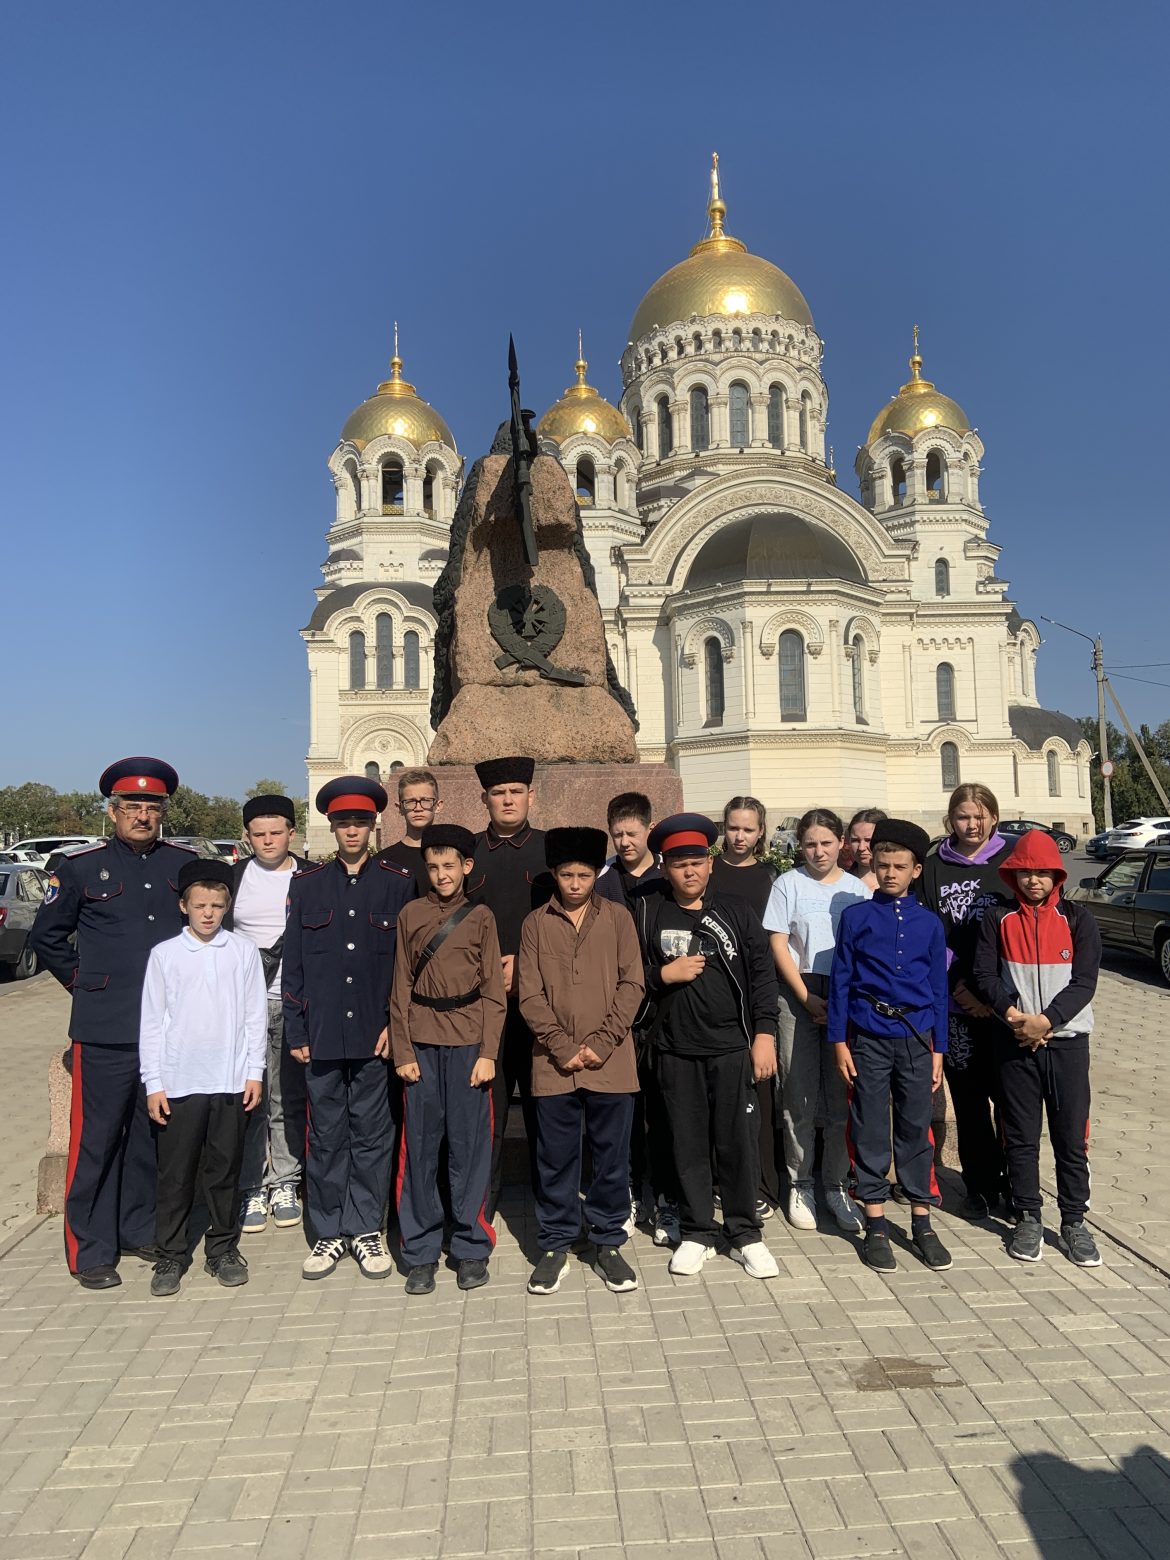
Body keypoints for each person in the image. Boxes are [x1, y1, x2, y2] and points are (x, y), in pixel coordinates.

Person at [29, 757, 194, 1290]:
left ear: (163, 811)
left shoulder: (182, 865)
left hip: (167, 1031)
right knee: (95, 1140)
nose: (143, 815)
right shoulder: (79, 866)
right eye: (132, 807)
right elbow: (47, 937)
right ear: (112, 810)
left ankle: (138, 1229)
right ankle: (91, 1250)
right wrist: (87, 983)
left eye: (152, 807)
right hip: (105, 1029)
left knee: (152, 1135)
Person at [632, 813, 781, 1280]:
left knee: (736, 1142)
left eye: (696, 861)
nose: (689, 871)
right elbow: (628, 974)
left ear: (710, 863)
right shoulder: (648, 910)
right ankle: (698, 1230)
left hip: (732, 1045)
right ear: (664, 868)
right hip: (675, 1048)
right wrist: (662, 976)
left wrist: (764, 1034)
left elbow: (761, 974)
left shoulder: (735, 910)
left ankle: (744, 1232)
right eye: (679, 864)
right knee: (686, 1142)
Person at [282, 775, 416, 1281]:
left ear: (374, 824)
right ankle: (328, 1231)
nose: (352, 831)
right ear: (331, 827)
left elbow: (405, 967)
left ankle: (365, 1228)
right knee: (327, 1135)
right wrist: (296, 1030)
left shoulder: (398, 883)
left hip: (375, 1038)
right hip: (321, 1035)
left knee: (372, 1135)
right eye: (343, 823)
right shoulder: (307, 886)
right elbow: (293, 965)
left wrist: (393, 1026)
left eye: (360, 822)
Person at [519, 828, 646, 1296]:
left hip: (610, 1061)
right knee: (556, 1158)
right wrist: (562, 1045)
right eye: (567, 875)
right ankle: (554, 1243)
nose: (575, 883)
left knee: (611, 1158)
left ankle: (608, 1241)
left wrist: (603, 1040)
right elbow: (529, 994)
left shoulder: (617, 919)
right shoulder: (536, 924)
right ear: (554, 874)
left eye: (584, 875)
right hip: (553, 1064)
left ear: (597, 874)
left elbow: (632, 983)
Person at [972, 830, 1102, 1266]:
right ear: (1013, 875)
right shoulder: (998, 919)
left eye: (1043, 872)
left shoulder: (1079, 919)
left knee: (1070, 1137)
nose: (1033, 881)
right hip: (1013, 1043)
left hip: (1066, 1044)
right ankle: (1028, 1216)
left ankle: (1074, 1222)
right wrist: (1013, 1016)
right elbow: (985, 974)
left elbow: (1084, 982)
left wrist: (1046, 1021)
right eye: (1025, 872)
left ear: (1057, 875)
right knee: (1021, 1136)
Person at [828, 820, 951, 1272]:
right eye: (883, 865)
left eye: (900, 866)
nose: (890, 873)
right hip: (869, 1037)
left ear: (916, 869)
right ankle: (876, 1223)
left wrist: (938, 1047)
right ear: (873, 866)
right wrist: (839, 1041)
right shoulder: (857, 918)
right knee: (871, 1127)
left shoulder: (929, 924)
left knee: (916, 1128)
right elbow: (842, 982)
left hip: (918, 1038)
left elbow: (938, 987)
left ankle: (922, 1221)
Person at [140, 860, 267, 1297]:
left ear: (227, 906)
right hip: (179, 1082)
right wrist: (153, 1081)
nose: (208, 913)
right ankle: (171, 1254)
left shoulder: (242, 951)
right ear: (184, 906)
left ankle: (223, 1249)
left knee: (224, 1170)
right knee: (176, 1174)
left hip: (230, 1080)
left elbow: (255, 1014)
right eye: (200, 905)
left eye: (216, 905)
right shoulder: (165, 955)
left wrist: (254, 1071)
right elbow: (152, 1023)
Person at [390, 824, 505, 1296]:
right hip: (421, 1044)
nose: (441, 874)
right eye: (433, 866)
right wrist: (402, 1049)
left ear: (467, 867)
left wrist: (489, 1053)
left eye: (449, 866)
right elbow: (399, 986)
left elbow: (495, 992)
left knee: (469, 1149)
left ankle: (471, 1245)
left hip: (468, 1046)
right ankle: (419, 1250)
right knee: (419, 1150)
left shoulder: (480, 917)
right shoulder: (411, 914)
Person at [765, 809, 870, 1234]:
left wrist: (842, 1001)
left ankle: (836, 1183)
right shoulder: (787, 884)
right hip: (798, 993)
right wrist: (807, 998)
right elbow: (778, 941)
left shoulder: (855, 890)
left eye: (827, 843)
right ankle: (800, 1182)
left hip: (845, 993)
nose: (818, 851)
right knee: (799, 1092)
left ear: (841, 843)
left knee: (842, 1092)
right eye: (810, 843)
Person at [919, 784, 1013, 1219]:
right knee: (972, 1104)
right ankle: (979, 1186)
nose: (972, 824)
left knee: (1012, 1101)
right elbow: (930, 931)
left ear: (993, 817)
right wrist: (959, 986)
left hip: (1005, 1004)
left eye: (980, 815)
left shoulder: (1010, 860)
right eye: (962, 816)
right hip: (956, 1003)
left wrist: (994, 994)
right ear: (950, 820)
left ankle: (1016, 1187)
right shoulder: (936, 866)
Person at [466, 756, 553, 1216]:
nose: (507, 800)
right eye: (498, 793)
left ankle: (550, 1205)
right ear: (485, 799)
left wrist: (525, 965)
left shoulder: (549, 851)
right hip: (485, 1006)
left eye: (516, 792)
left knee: (544, 1105)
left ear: (531, 797)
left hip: (540, 1003)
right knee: (490, 1109)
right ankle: (485, 1203)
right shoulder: (470, 854)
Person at [594, 792, 677, 1246]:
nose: (625, 842)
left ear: (649, 829)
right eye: (617, 834)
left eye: (632, 833)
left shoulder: (668, 877)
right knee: (623, 1114)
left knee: (662, 1111)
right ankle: (626, 1192)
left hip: (663, 1010)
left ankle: (664, 1198)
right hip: (619, 1014)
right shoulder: (604, 881)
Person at [228, 794, 311, 1236]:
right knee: (248, 1099)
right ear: (247, 836)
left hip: (291, 1003)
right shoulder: (234, 877)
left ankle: (285, 1180)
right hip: (244, 1007)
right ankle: (251, 1184)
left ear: (291, 833)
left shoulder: (310, 876)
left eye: (275, 832)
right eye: (258, 834)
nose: (267, 841)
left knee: (286, 1099)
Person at [711, 796, 781, 1220]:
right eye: (733, 828)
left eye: (748, 829)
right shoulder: (709, 871)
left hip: (757, 993)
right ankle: (721, 1180)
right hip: (716, 995)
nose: (739, 836)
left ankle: (760, 1181)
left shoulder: (772, 877)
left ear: (761, 833)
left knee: (760, 1094)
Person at [376, 768, 443, 895]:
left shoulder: (451, 857)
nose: (418, 808)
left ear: (438, 806)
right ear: (400, 808)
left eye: (425, 801)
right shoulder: (383, 862)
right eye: (410, 802)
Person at [845, 809, 887, 891]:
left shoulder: (903, 882)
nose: (861, 848)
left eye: (868, 840)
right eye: (855, 840)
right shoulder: (841, 883)